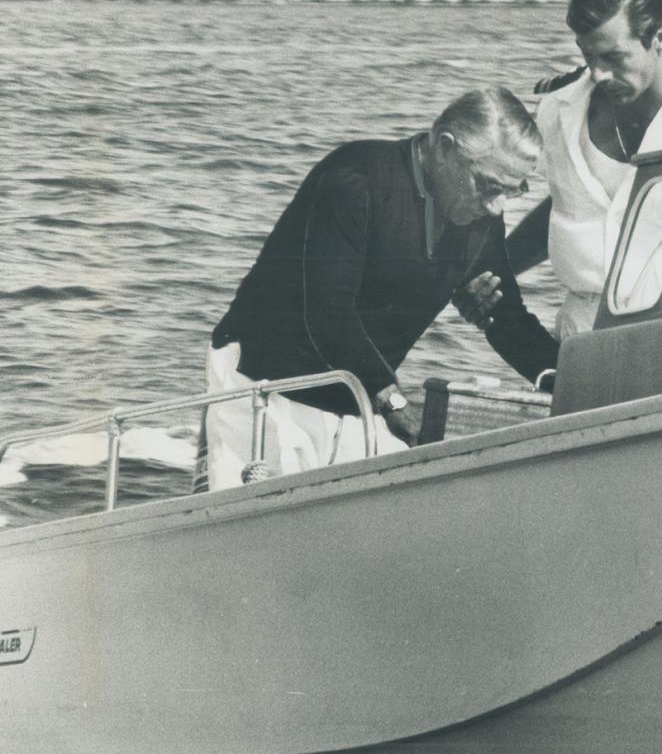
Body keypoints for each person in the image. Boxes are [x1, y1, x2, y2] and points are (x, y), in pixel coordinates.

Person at [199, 87, 559, 491]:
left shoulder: (480, 217)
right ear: (444, 148)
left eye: (513, 190)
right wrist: (392, 400)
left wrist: (567, 381)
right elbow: (327, 309)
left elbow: (507, 319)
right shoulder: (355, 178)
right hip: (266, 383)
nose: (496, 207)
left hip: (355, 397)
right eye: (489, 185)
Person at [493, 0, 662, 337]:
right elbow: (565, 204)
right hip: (579, 330)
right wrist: (493, 271)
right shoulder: (558, 107)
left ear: (660, 36)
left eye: (614, 57)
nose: (599, 73)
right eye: (587, 57)